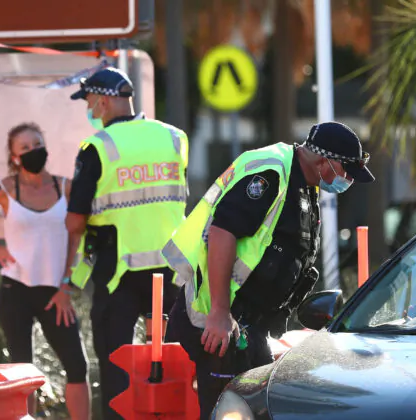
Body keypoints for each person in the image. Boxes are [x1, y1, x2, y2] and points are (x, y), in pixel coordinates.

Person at [162, 121, 375, 418]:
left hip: (248, 328)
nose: (348, 180)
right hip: (217, 325)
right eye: (347, 172)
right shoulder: (272, 174)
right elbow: (222, 232)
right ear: (327, 161)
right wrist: (220, 313)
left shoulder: (305, 184)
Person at [65, 66, 189, 419]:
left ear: (103, 101)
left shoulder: (97, 147)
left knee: (116, 366)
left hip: (117, 271)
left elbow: (75, 221)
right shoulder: (174, 138)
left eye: (89, 101)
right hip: (170, 272)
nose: (89, 108)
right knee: (169, 363)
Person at [0, 123, 91, 420]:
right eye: (24, 148)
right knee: (24, 370)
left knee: (77, 366)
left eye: (37, 144)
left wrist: (66, 286)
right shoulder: (5, 189)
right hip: (16, 289)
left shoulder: (66, 187)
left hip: (55, 292)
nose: (33, 151)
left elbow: (78, 236)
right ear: (13, 157)